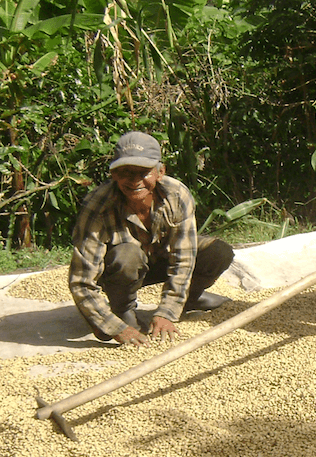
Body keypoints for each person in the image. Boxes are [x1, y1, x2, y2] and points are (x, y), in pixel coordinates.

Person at [69, 131, 236, 347]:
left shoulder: (177, 195)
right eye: (126, 173)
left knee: (218, 252)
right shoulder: (98, 206)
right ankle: (123, 309)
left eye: (143, 172)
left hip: (160, 259)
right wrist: (112, 326)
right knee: (127, 254)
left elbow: (184, 259)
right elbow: (81, 282)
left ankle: (188, 299)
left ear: (160, 172)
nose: (134, 181)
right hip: (119, 272)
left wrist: (167, 311)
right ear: (114, 175)